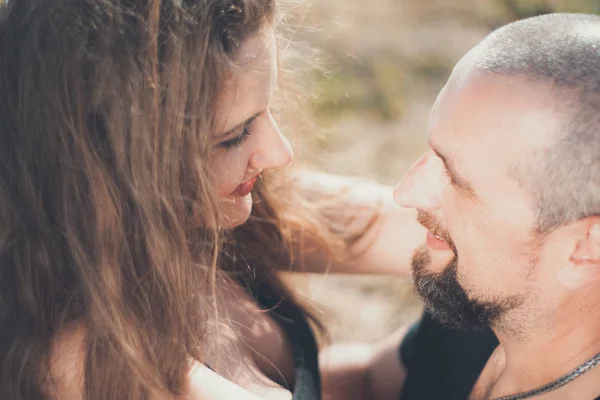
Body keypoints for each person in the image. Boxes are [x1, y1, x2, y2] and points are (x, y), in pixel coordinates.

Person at [0, 0, 424, 399]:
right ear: (112, 167)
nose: (279, 153)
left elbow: (444, 226)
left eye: (266, 109)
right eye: (233, 136)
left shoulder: (222, 210)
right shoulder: (93, 357)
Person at [367, 12, 600, 400]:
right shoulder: (478, 300)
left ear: (586, 246)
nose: (406, 192)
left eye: (456, 178)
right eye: (432, 151)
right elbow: (371, 381)